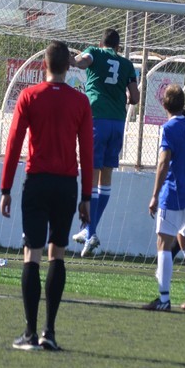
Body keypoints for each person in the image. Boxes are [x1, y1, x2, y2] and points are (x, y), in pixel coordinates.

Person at [0, 40, 94, 351]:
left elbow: (14, 144)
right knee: (58, 254)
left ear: (44, 65)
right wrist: (86, 197)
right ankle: (49, 332)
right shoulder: (80, 102)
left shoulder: (29, 96)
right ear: (68, 66)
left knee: (32, 254)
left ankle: (29, 333)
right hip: (67, 186)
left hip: (37, 183)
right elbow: (87, 152)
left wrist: (5, 188)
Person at [71, 28, 139, 258]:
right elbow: (135, 98)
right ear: (118, 47)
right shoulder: (127, 65)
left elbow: (82, 62)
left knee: (92, 176)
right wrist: (122, 94)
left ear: (101, 43)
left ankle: (89, 231)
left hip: (97, 118)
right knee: (106, 177)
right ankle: (89, 231)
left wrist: (70, 59)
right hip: (118, 122)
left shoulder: (95, 52)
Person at [143, 84, 185, 312]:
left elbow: (163, 162)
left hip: (174, 191)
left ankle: (164, 298)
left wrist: (154, 195)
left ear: (164, 104)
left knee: (163, 242)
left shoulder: (168, 128)